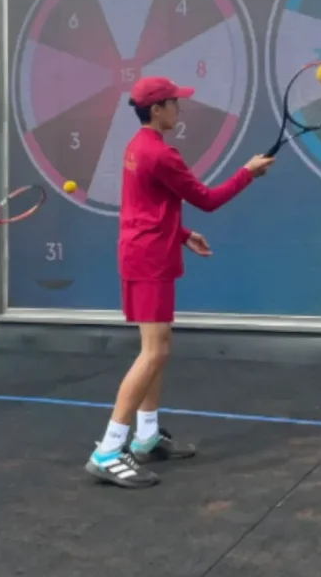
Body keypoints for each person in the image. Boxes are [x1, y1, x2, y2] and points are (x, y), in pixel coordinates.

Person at [85, 76, 274, 488]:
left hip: (146, 250)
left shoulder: (136, 147)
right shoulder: (161, 154)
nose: (180, 108)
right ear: (157, 109)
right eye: (175, 102)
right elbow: (207, 199)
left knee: (159, 349)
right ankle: (107, 451)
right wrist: (247, 172)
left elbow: (146, 204)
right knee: (153, 353)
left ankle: (147, 437)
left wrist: (182, 233)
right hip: (148, 259)